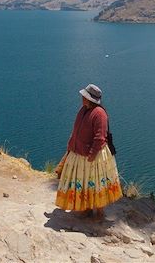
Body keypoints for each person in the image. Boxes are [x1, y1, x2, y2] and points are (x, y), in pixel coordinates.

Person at [54, 84, 122, 220]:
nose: (81, 98)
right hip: (79, 153)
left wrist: (92, 155)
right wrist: (70, 146)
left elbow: (100, 137)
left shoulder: (99, 114)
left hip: (93, 156)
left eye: (84, 96)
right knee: (85, 183)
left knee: (96, 183)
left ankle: (100, 212)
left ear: (89, 99)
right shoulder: (84, 109)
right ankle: (86, 209)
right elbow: (76, 129)